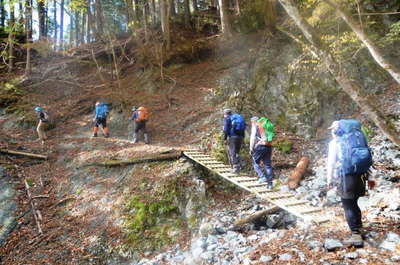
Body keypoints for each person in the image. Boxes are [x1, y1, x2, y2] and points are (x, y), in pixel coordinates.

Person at [326, 120, 373, 248]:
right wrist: (371, 178)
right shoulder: (358, 139)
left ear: (336, 130)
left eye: (332, 129)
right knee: (354, 202)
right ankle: (359, 228)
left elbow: (331, 162)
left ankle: (355, 233)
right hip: (361, 176)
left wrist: (329, 179)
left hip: (346, 177)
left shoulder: (335, 143)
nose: (331, 132)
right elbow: (368, 158)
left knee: (348, 205)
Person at [249, 116, 275, 189]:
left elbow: (253, 138)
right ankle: (270, 184)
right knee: (268, 165)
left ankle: (262, 176)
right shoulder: (265, 125)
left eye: (251, 123)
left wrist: (251, 148)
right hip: (268, 147)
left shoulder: (256, 126)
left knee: (255, 162)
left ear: (253, 122)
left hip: (260, 147)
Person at [223, 109, 245, 174]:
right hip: (240, 137)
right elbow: (243, 128)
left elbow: (226, 130)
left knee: (232, 152)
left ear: (225, 114)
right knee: (237, 152)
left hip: (232, 137)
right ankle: (241, 162)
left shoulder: (227, 119)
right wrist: (242, 137)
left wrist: (225, 138)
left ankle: (236, 168)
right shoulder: (238, 117)